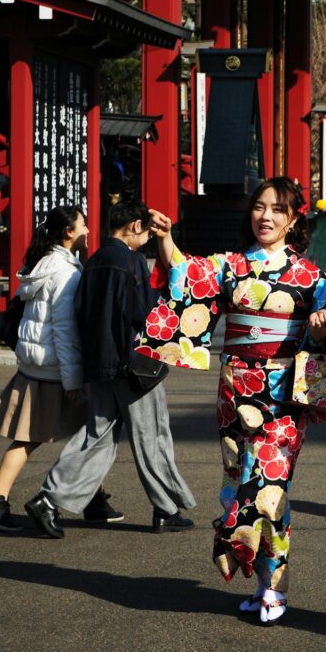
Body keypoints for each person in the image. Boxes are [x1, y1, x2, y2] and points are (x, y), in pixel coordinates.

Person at [140, 177, 326, 626]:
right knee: (240, 481)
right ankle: (263, 581)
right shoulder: (230, 265)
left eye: (277, 209)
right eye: (259, 207)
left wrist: (321, 326)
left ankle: (275, 585)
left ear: (293, 219)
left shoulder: (310, 276)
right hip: (235, 390)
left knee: (270, 487)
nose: (265, 216)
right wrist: (166, 238)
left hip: (283, 396)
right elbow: (187, 274)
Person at [24, 201, 196, 539]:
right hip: (134, 365)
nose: (146, 240)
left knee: (97, 435)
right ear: (134, 226)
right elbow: (144, 314)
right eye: (146, 233)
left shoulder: (94, 261)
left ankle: (49, 498)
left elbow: (80, 312)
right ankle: (166, 508)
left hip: (99, 364)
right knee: (151, 435)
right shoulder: (131, 261)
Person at [0, 206, 111, 531]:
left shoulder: (42, 263)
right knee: (77, 436)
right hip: (55, 371)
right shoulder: (66, 272)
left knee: (76, 435)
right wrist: (73, 380)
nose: (88, 231)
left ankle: (91, 499)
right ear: (69, 232)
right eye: (83, 225)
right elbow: (64, 331)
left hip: (35, 366)